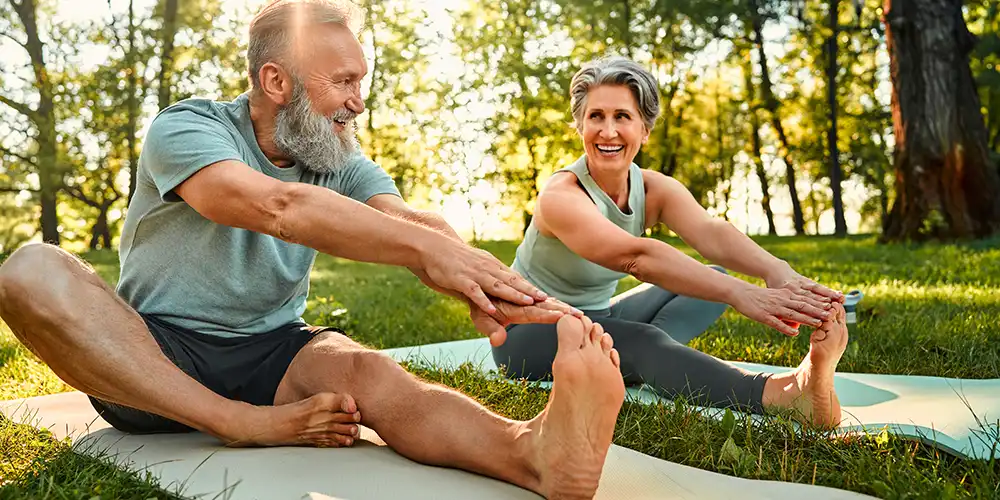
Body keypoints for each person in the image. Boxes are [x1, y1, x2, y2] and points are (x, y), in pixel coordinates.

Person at [0, 2, 631, 498]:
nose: (359, 101)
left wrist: (485, 281)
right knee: (29, 269)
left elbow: (410, 222)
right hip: (152, 355)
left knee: (370, 373)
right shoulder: (188, 128)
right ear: (276, 80)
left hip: (274, 350)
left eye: (362, 81)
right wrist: (421, 249)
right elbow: (277, 208)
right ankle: (236, 422)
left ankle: (534, 454)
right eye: (344, 81)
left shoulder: (338, 158)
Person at [491, 56, 850, 428]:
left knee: (705, 280)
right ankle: (786, 394)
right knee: (646, 339)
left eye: (622, 117)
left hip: (596, 316)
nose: (608, 131)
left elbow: (711, 233)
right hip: (526, 333)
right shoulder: (561, 195)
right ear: (580, 126)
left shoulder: (651, 188)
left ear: (644, 130)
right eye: (596, 116)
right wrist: (742, 293)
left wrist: (778, 272)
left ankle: (634, 358)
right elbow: (636, 257)